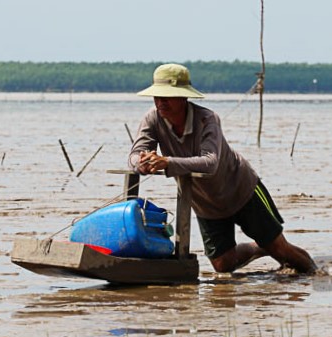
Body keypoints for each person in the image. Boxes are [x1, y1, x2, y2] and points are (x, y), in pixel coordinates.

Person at [128, 63, 317, 274]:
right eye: (157, 96)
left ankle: (317, 275)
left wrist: (167, 162)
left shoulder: (207, 119)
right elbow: (135, 155)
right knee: (223, 265)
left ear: (183, 98)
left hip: (241, 189)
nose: (160, 102)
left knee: (280, 249)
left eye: (167, 97)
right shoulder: (152, 118)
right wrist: (143, 162)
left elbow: (210, 162)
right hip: (206, 202)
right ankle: (258, 248)